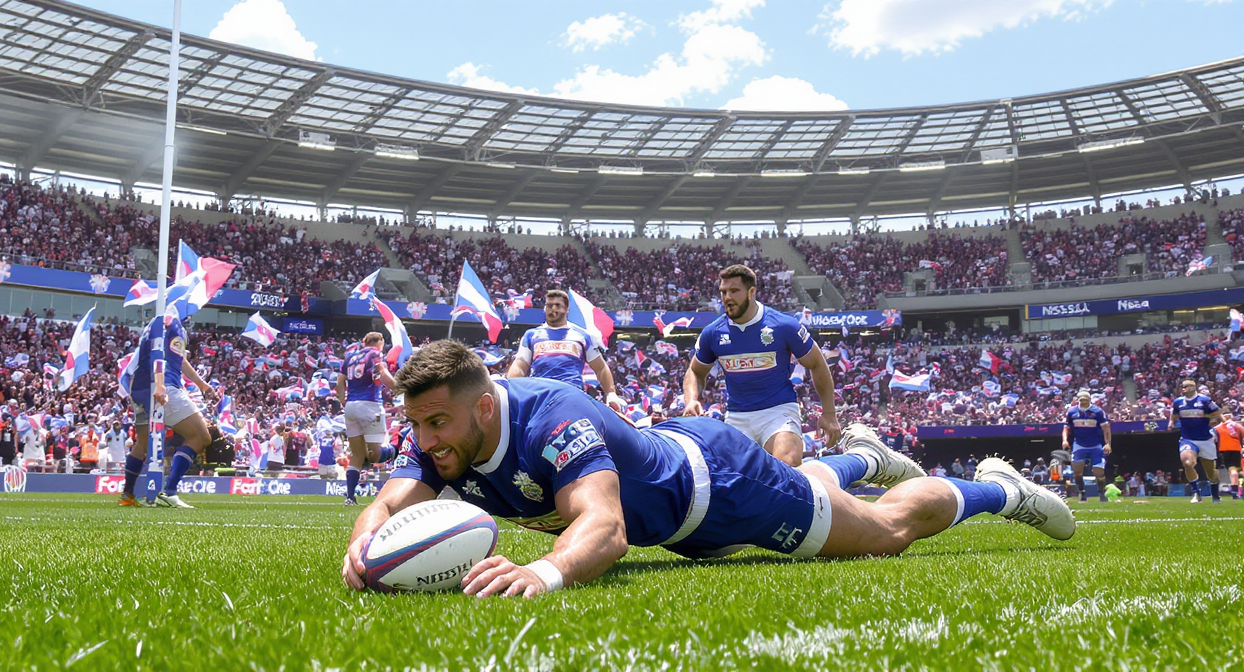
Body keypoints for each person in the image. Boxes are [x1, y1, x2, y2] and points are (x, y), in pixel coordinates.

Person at [341, 341, 1071, 597]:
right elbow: (390, 502)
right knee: (818, 486)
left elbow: (605, 528)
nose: (426, 441)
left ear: (485, 412)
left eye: (438, 423)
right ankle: (861, 457)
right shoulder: (436, 432)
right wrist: (367, 548)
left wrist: (546, 573)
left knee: (884, 531)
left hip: (720, 488)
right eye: (418, 425)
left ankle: (1001, 489)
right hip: (677, 510)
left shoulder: (554, 416)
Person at [680, 265, 840, 466]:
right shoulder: (713, 333)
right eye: (723, 292)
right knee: (732, 481)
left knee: (787, 462)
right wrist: (691, 400)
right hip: (737, 417)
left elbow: (817, 364)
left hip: (778, 412)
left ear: (751, 292)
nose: (727, 297)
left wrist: (829, 414)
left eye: (734, 291)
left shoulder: (783, 325)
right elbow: (695, 371)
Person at [120, 314, 215, 508]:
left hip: (138, 388)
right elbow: (158, 356)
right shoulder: (173, 324)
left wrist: (201, 384)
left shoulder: (153, 324)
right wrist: (161, 385)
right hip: (163, 386)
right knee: (201, 436)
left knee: (143, 444)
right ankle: (169, 492)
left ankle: (127, 495)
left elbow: (176, 358)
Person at [506, 289, 622, 412]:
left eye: (558, 306)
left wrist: (611, 394)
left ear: (567, 309)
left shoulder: (582, 336)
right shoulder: (531, 335)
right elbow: (519, 366)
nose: (553, 309)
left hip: (572, 396)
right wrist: (509, 389)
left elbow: (601, 368)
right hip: (540, 397)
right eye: (549, 305)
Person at [336, 332, 397, 505]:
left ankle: (350, 497)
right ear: (380, 342)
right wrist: (399, 387)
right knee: (374, 455)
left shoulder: (350, 356)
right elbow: (383, 374)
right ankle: (396, 450)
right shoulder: (375, 354)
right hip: (370, 405)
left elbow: (340, 383)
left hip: (351, 406)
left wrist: (343, 401)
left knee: (357, 454)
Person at [1170, 379, 1223, 503]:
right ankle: (1197, 494)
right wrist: (1171, 423)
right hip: (1188, 439)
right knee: (1187, 463)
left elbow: (1218, 411)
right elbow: (1174, 414)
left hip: (1205, 439)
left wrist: (1206, 416)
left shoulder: (1204, 400)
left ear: (1192, 387)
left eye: (1185, 386)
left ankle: (1215, 495)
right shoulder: (1178, 402)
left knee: (1211, 473)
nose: (1182, 389)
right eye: (1181, 387)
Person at [1062, 390, 1112, 503]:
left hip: (1095, 444)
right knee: (1077, 471)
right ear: (1078, 400)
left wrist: (1107, 443)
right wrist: (1065, 440)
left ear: (1089, 400)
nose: (1083, 402)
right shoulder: (1071, 412)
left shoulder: (1098, 411)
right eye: (1081, 400)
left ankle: (1102, 494)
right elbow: (1066, 428)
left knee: (1098, 471)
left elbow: (1106, 428)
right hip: (1079, 444)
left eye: (1086, 400)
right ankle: (1082, 493)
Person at [1216, 411, 1243, 499]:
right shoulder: (1238, 426)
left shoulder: (1217, 428)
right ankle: (1239, 491)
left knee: (1233, 471)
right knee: (1239, 472)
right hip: (1238, 450)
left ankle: (1235, 492)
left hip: (1225, 450)